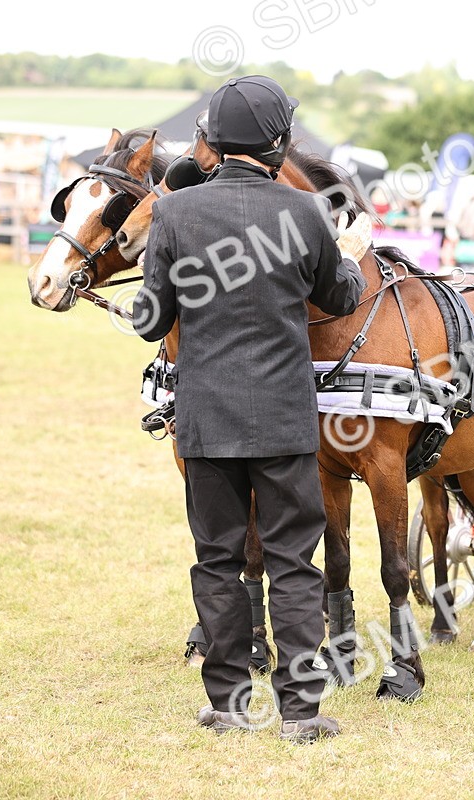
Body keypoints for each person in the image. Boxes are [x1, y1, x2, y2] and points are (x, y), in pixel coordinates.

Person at [132, 75, 369, 741]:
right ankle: (300, 712)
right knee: (293, 562)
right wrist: (350, 258)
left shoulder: (175, 214)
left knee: (217, 561)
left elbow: (151, 323)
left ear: (213, 140)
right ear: (278, 142)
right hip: (283, 419)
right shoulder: (307, 212)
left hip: (206, 420)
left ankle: (229, 704)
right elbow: (340, 298)